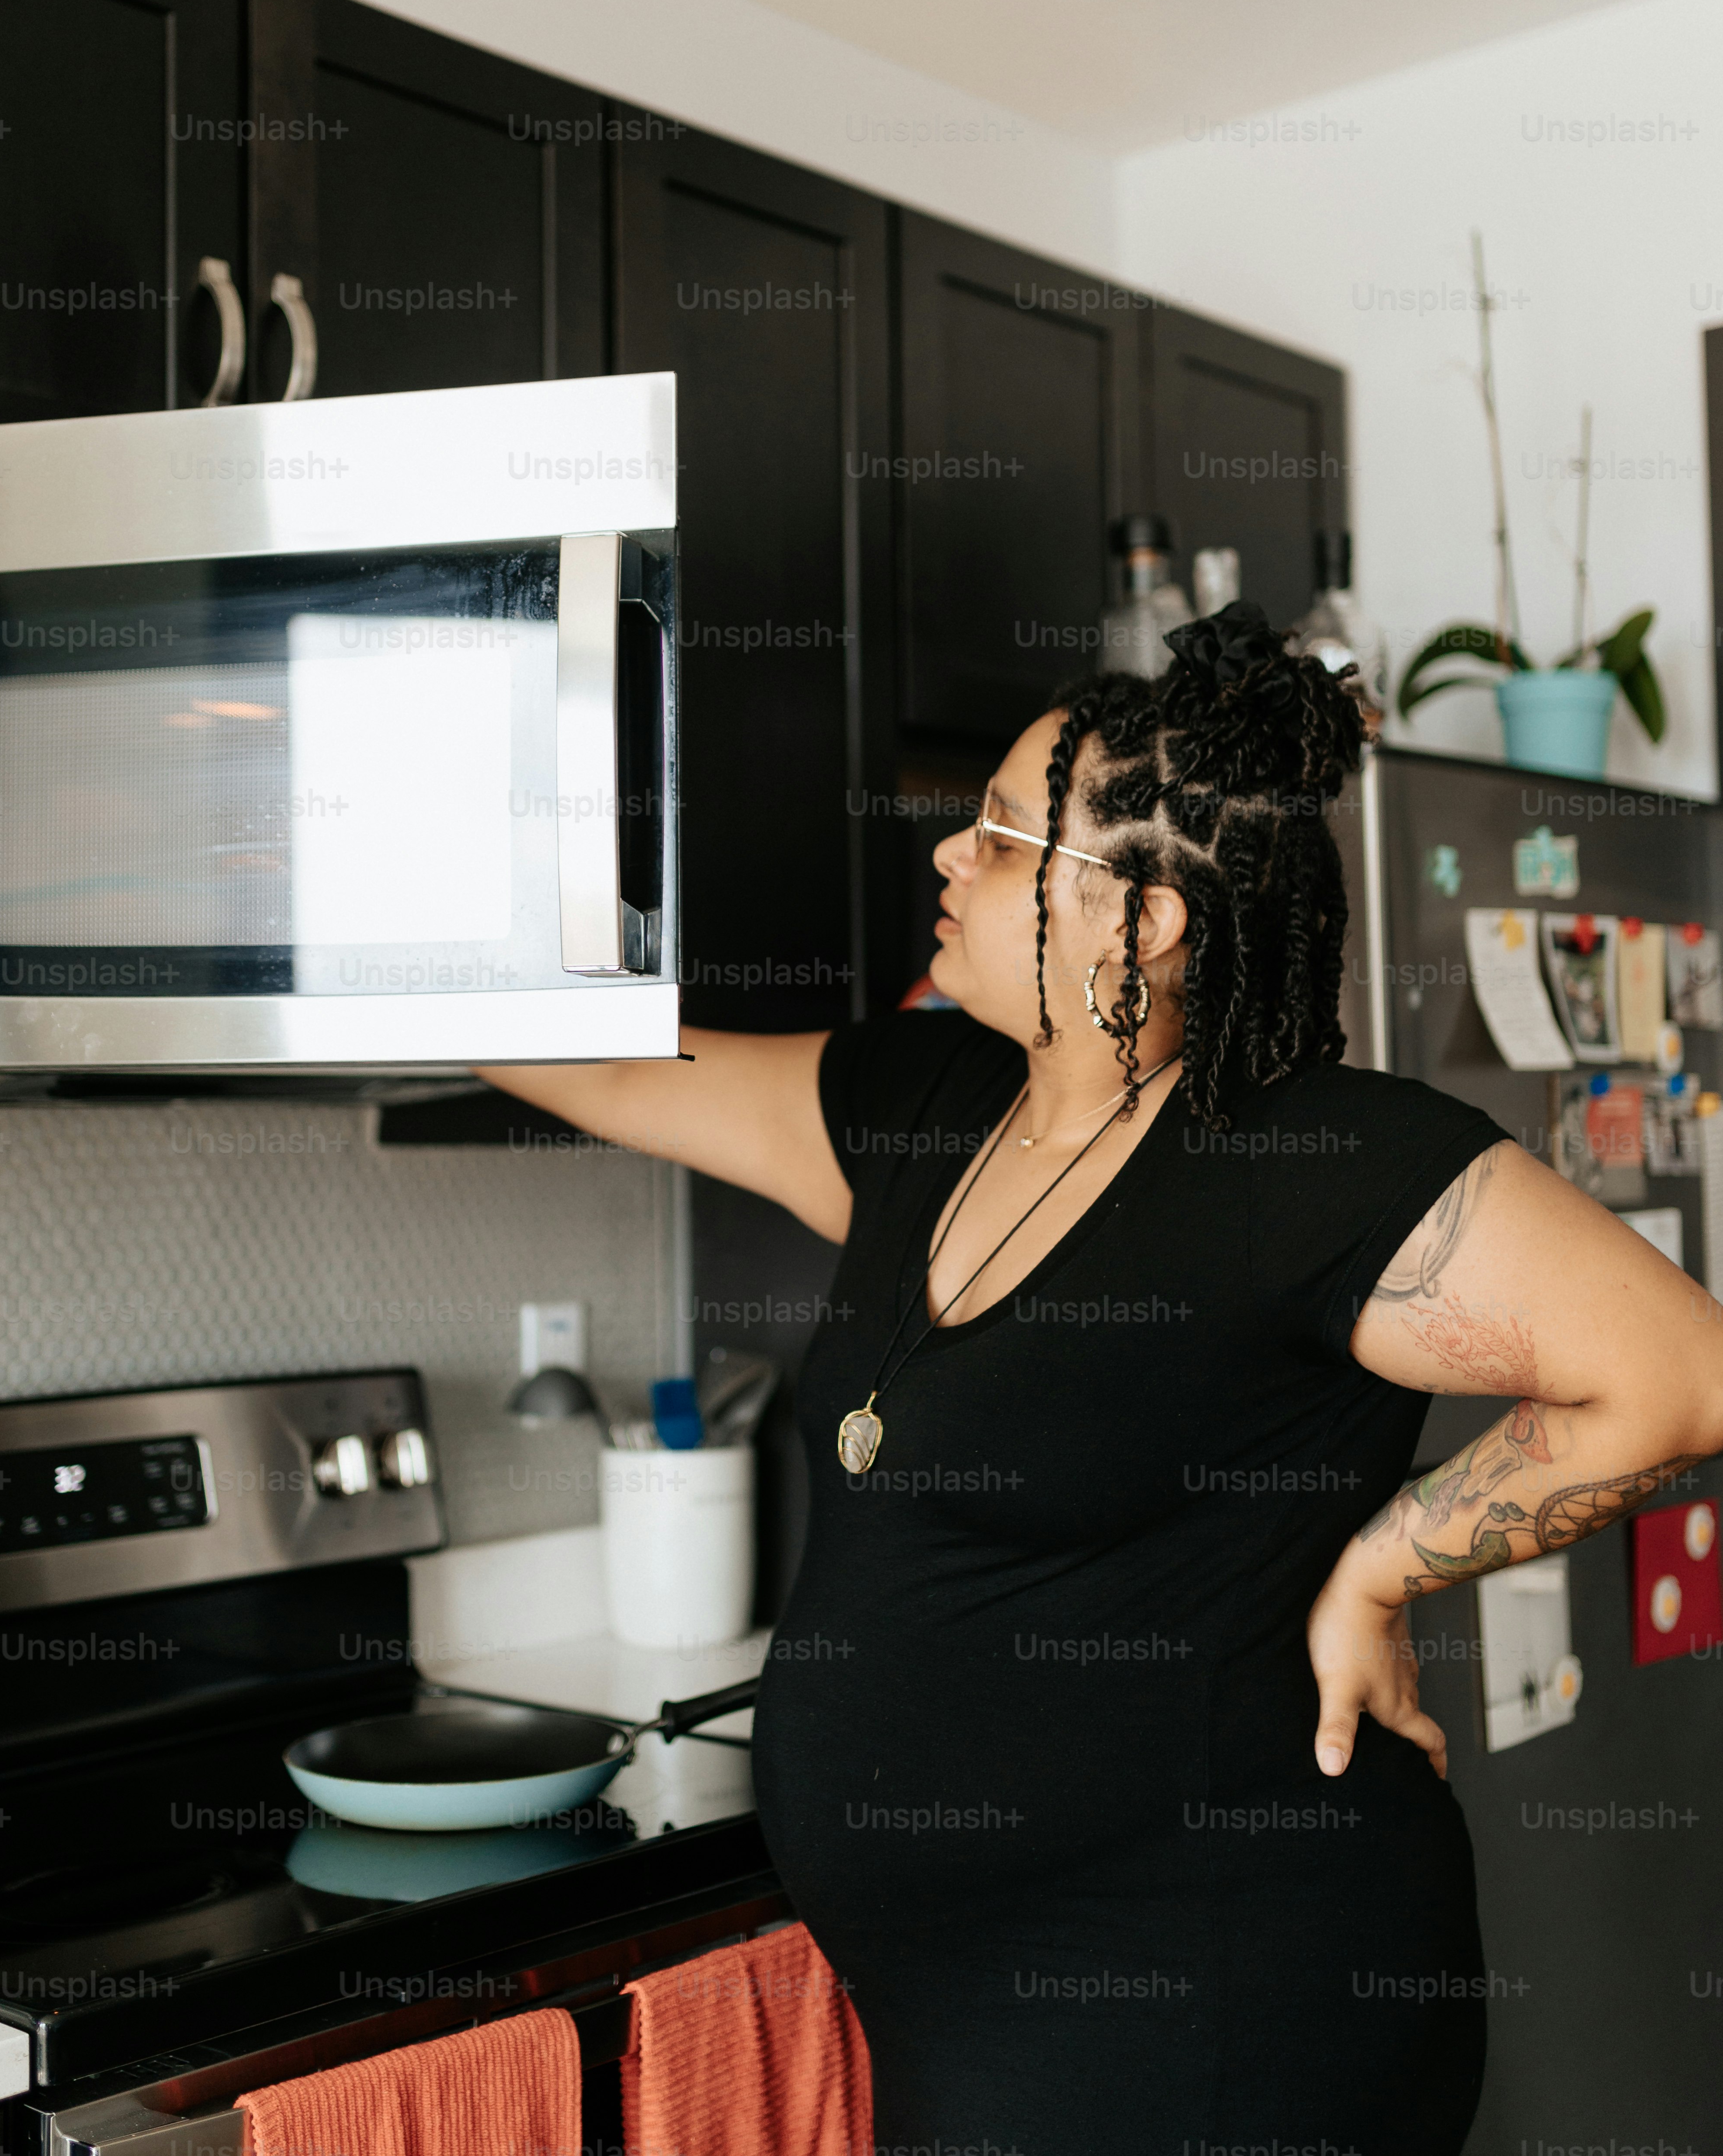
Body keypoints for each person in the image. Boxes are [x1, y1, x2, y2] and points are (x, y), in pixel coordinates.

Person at [481, 601, 1723, 2155]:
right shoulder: (926, 1102)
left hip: (1219, 2007)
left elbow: (1684, 1373)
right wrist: (372, 930)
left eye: (1005, 838)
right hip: (966, 2012)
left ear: (1145, 921)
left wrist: (1383, 1568)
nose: (951, 855)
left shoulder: (1302, 1162)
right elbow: (607, 1063)